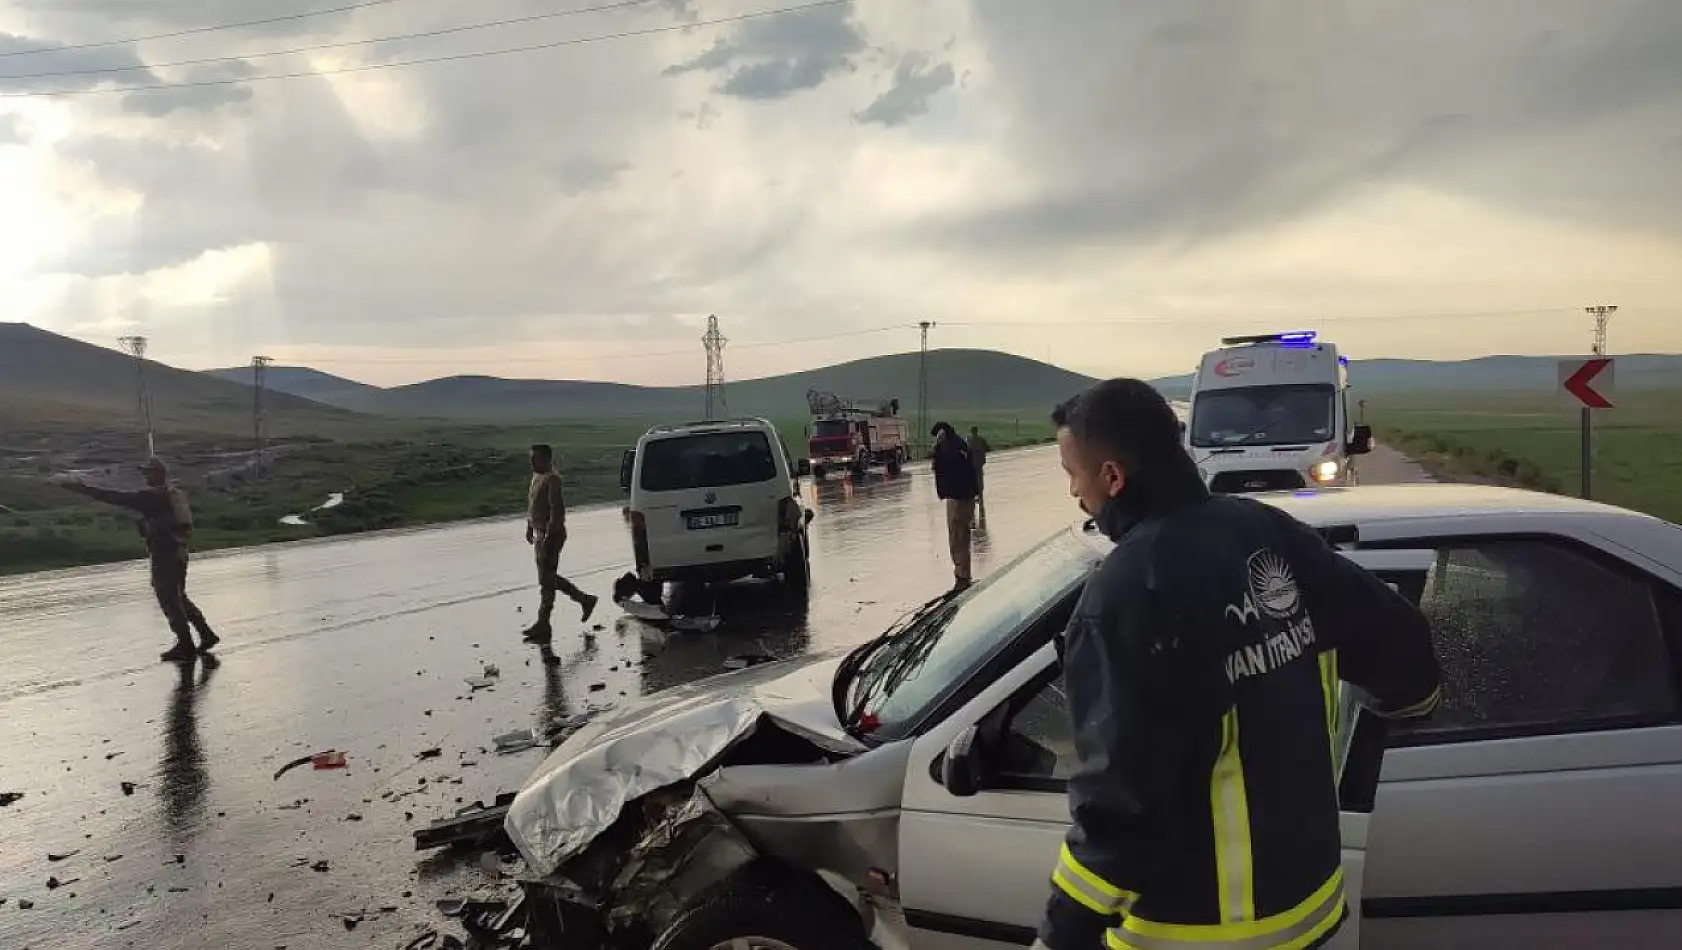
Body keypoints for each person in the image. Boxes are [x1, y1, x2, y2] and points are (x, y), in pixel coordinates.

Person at [1037, 379, 1440, 950]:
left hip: (1199, 931)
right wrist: (1411, 705)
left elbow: (1122, 796)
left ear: (1111, 477)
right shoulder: (1267, 532)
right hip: (1309, 907)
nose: (1075, 493)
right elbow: (1395, 638)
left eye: (1071, 473)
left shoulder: (1128, 594)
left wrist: (1063, 933)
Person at [52, 458, 220, 662]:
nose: (144, 476)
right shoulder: (173, 493)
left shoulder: (153, 497)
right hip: (179, 551)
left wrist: (81, 488)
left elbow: (115, 497)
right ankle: (206, 634)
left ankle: (185, 644)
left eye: (147, 473)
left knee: (169, 599)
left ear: (158, 473)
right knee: (179, 597)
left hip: (165, 553)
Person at [522, 443, 598, 644]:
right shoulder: (537, 478)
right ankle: (584, 600)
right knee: (547, 578)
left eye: (535, 458)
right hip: (540, 533)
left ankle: (543, 623)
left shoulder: (552, 479)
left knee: (546, 581)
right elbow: (533, 505)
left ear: (547, 459)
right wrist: (530, 526)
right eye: (531, 458)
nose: (532, 462)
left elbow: (557, 510)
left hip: (551, 536)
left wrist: (548, 534)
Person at [928, 422, 978, 589]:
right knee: (959, 536)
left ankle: (962, 576)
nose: (937, 440)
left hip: (960, 498)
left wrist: (937, 453)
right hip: (959, 497)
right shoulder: (955, 447)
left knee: (958, 536)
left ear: (944, 434)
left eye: (939, 436)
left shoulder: (954, 449)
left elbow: (953, 471)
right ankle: (962, 573)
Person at [966, 425, 992, 523]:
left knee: (973, 480)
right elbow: (988, 448)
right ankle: (979, 494)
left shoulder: (968, 440)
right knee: (980, 479)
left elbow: (965, 450)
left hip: (972, 463)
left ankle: (974, 494)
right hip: (979, 463)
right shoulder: (981, 439)